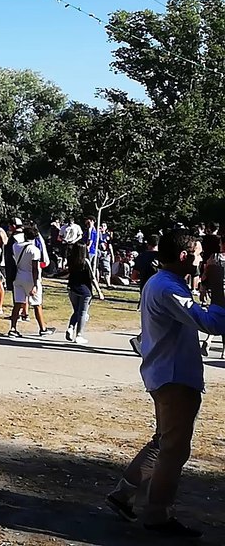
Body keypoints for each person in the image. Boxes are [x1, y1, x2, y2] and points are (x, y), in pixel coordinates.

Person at [106, 230, 225, 538]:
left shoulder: (162, 283)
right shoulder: (169, 288)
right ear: (184, 257)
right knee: (174, 450)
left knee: (163, 442)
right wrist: (218, 287)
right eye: (197, 254)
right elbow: (213, 324)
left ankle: (123, 494)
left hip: (166, 375)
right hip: (175, 378)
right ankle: (158, 514)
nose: (201, 260)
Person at [9, 225, 54, 338]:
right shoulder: (35, 250)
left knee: (18, 304)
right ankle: (42, 328)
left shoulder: (16, 246)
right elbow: (35, 268)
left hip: (18, 276)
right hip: (30, 278)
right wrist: (35, 284)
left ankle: (13, 328)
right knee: (37, 304)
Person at [66, 242, 99, 344]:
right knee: (82, 313)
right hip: (85, 290)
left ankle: (71, 327)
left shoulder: (71, 260)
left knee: (76, 311)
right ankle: (79, 335)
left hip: (72, 288)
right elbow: (92, 278)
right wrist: (99, 291)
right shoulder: (85, 262)